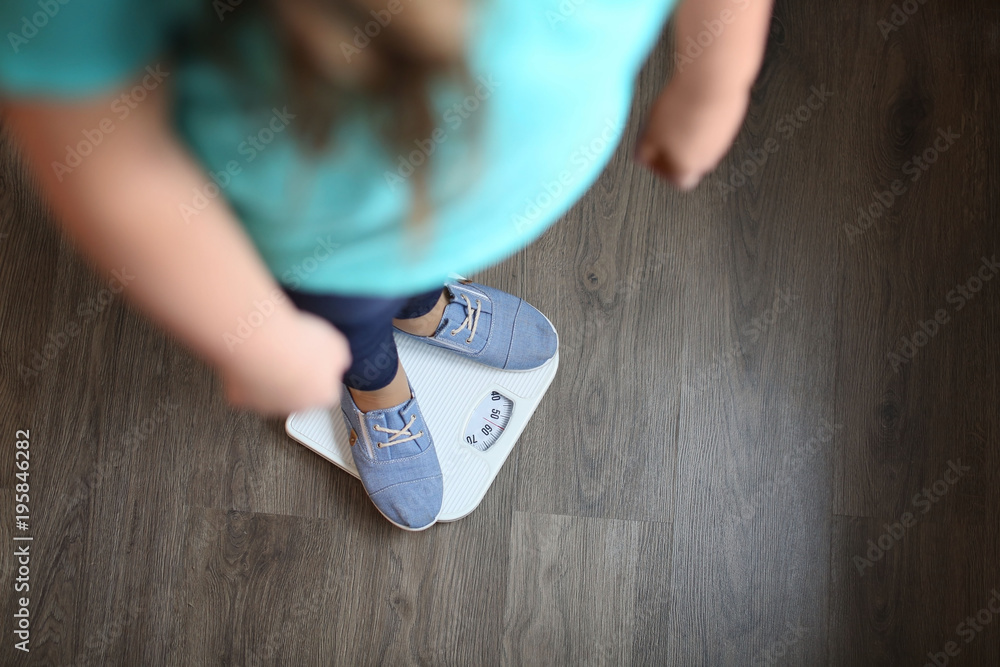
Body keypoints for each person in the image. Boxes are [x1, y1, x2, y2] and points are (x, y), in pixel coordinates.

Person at [0, 0, 773, 529]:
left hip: (489, 194)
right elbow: (94, 141)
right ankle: (373, 383)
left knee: (405, 278)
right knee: (345, 316)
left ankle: (424, 305)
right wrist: (256, 339)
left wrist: (714, 81)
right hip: (315, 239)